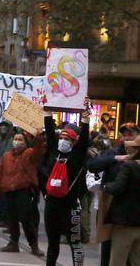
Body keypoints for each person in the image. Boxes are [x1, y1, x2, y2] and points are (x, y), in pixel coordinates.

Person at [43, 101, 91, 266]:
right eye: (61, 137)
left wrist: (85, 118)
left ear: (74, 141)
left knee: (75, 242)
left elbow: (84, 137)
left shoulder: (77, 155)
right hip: (51, 203)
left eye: (67, 138)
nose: (63, 140)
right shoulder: (53, 150)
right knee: (53, 242)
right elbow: (50, 132)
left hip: (70, 205)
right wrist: (47, 111)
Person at [87, 122, 139, 266]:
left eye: (131, 135)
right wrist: (116, 159)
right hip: (110, 206)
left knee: (131, 255)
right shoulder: (113, 152)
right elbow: (92, 166)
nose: (127, 138)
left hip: (131, 210)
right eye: (124, 135)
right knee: (108, 246)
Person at [0, 130, 45, 256]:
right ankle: (13, 243)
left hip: (23, 191)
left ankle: (34, 245)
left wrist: (38, 138)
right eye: (15, 139)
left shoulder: (28, 154)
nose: (17, 141)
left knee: (26, 220)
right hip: (8, 191)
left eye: (20, 139)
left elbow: (38, 152)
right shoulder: (6, 156)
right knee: (12, 219)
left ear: (25, 142)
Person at [101, 135, 140, 266]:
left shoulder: (130, 166)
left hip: (126, 220)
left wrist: (106, 186)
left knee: (118, 259)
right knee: (137, 260)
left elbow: (118, 187)